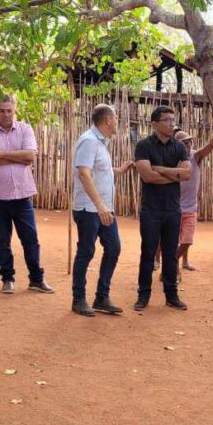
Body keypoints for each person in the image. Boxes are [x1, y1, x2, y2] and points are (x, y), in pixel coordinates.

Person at [0, 95, 53, 295]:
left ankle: (36, 279)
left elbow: (29, 157)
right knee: (3, 240)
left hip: (22, 196)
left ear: (15, 110)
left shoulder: (25, 129)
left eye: (9, 110)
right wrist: (17, 156)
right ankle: (7, 279)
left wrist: (1, 154)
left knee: (30, 239)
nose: (6, 114)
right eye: (1, 110)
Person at [71, 104, 134, 317]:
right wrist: (99, 206)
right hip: (90, 209)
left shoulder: (100, 142)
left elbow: (99, 170)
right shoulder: (89, 141)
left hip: (104, 209)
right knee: (86, 252)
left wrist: (118, 170)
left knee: (113, 248)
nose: (117, 122)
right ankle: (78, 298)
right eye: (115, 118)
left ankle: (101, 296)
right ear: (108, 120)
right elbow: (84, 174)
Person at [132, 106, 190, 311]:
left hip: (173, 209)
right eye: (167, 119)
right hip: (151, 209)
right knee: (148, 252)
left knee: (170, 254)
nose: (171, 123)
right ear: (155, 124)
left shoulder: (180, 147)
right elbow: (147, 176)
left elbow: (187, 175)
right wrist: (174, 175)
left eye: (173, 119)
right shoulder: (143, 146)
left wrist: (160, 169)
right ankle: (143, 295)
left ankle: (171, 295)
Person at [177, 129, 213, 276]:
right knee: (174, 241)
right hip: (173, 208)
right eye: (183, 143)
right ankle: (175, 263)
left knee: (187, 239)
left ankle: (173, 262)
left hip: (190, 207)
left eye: (189, 142)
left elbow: (208, 147)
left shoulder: (195, 156)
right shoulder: (169, 158)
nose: (187, 145)